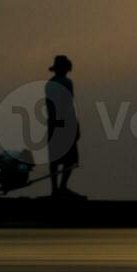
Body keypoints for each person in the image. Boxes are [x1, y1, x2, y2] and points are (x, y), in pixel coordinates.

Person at [45, 55, 81, 198]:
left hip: (54, 123)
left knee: (55, 159)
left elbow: (51, 106)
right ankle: (62, 187)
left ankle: (55, 189)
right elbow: (68, 105)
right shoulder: (67, 83)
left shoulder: (49, 84)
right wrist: (75, 125)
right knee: (70, 159)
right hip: (65, 123)